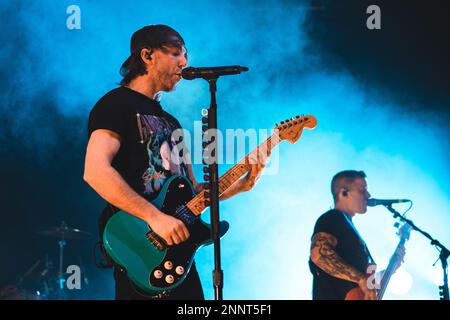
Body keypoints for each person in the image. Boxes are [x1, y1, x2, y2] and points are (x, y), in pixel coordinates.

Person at [84, 25, 269, 300]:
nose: (184, 63)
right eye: (175, 54)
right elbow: (95, 171)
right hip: (141, 248)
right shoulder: (116, 104)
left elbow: (193, 193)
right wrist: (155, 218)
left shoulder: (172, 123)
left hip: (178, 257)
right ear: (147, 55)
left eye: (185, 56)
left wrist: (243, 185)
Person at [309, 170, 405, 300]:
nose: (368, 195)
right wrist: (361, 279)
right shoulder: (332, 218)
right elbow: (319, 254)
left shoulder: (352, 232)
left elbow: (366, 284)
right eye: (362, 190)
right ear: (344, 193)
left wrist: (390, 269)